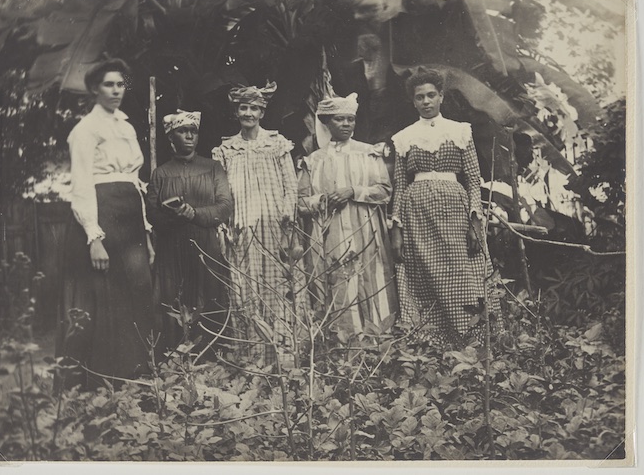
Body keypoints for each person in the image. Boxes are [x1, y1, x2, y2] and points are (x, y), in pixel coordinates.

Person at [57, 58, 155, 389]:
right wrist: (93, 236)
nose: (116, 90)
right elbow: (81, 186)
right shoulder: (85, 130)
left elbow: (134, 182)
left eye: (120, 84)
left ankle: (132, 377)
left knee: (136, 292)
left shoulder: (126, 127)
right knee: (105, 295)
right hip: (103, 215)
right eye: (109, 84)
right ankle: (100, 382)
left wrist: (147, 235)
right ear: (95, 89)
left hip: (130, 218)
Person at [390, 67, 500, 348]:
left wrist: (475, 224)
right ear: (413, 102)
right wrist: (397, 229)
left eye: (431, 95)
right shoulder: (404, 137)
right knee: (424, 278)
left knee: (463, 275)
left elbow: (474, 180)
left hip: (455, 212)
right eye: (419, 97)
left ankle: (472, 341)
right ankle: (433, 345)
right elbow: (400, 186)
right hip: (417, 215)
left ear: (441, 97)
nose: (426, 102)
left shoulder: (460, 131)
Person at [212, 82, 300, 365]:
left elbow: (291, 185)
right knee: (245, 288)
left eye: (254, 108)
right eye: (243, 107)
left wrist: (287, 216)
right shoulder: (226, 149)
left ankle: (284, 357)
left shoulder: (276, 143)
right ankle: (253, 357)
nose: (248, 113)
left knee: (277, 287)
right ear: (236, 111)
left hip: (274, 224)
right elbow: (222, 191)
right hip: (242, 226)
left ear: (262, 112)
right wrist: (226, 224)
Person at [298, 93, 398, 337]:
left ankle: (377, 342)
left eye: (350, 120)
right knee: (336, 281)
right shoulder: (313, 161)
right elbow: (300, 202)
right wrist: (323, 199)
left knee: (370, 280)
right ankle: (342, 347)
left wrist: (353, 191)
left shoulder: (369, 154)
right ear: (328, 123)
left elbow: (385, 192)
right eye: (340, 119)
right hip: (329, 232)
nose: (346, 125)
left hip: (366, 230)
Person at [146, 110, 232, 357]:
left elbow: (225, 206)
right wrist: (174, 216)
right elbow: (152, 214)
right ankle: (173, 358)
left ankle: (212, 356)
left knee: (210, 296)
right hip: (171, 247)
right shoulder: (160, 173)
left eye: (193, 131)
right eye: (182, 132)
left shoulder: (213, 168)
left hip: (205, 245)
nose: (189, 136)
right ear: (171, 138)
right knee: (173, 299)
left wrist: (195, 214)